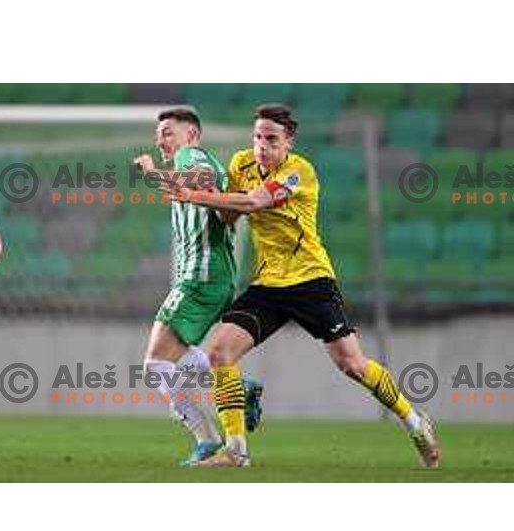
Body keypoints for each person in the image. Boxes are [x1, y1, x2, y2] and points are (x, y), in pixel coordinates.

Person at [158, 104, 440, 468]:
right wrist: (209, 195)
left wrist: (195, 195)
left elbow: (253, 202)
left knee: (352, 364)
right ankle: (236, 450)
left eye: (272, 139)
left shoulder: (299, 172)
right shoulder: (242, 163)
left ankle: (414, 421)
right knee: (219, 354)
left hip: (311, 281)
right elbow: (231, 215)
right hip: (267, 284)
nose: (262, 145)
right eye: (258, 137)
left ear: (289, 142)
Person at [134, 108, 262, 466]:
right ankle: (237, 387)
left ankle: (206, 439)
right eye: (159, 134)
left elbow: (198, 179)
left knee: (156, 364)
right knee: (164, 359)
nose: (161, 140)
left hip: (202, 276)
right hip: (208, 276)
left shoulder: (192, 156)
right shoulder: (196, 164)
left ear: (191, 135)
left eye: (168, 133)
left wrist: (150, 172)